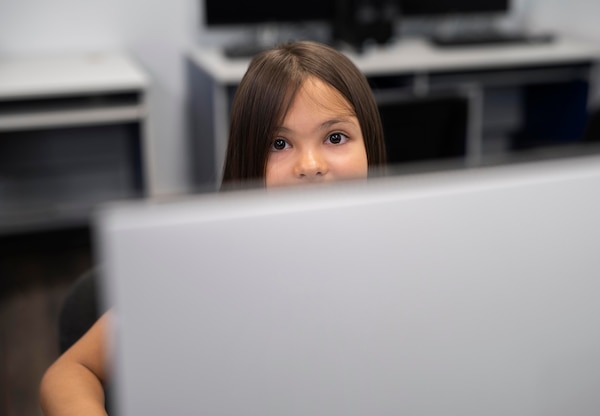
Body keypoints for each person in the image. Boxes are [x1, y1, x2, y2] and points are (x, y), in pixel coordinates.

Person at [39, 40, 387, 416]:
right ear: (248, 160)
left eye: (335, 137)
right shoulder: (205, 265)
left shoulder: (407, 258)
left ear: (370, 143)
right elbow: (71, 372)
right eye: (280, 143)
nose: (311, 164)